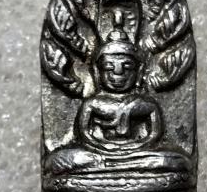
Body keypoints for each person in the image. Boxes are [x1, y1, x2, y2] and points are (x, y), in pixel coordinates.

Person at [45, 16, 190, 176]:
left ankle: (114, 171)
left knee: (176, 161)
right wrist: (104, 147)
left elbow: (154, 136)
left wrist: (135, 148)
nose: (118, 74)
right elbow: (85, 135)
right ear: (97, 73)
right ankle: (122, 170)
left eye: (127, 67)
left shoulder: (146, 104)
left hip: (138, 154)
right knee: (59, 160)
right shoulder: (93, 104)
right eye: (109, 67)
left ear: (139, 72)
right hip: (98, 153)